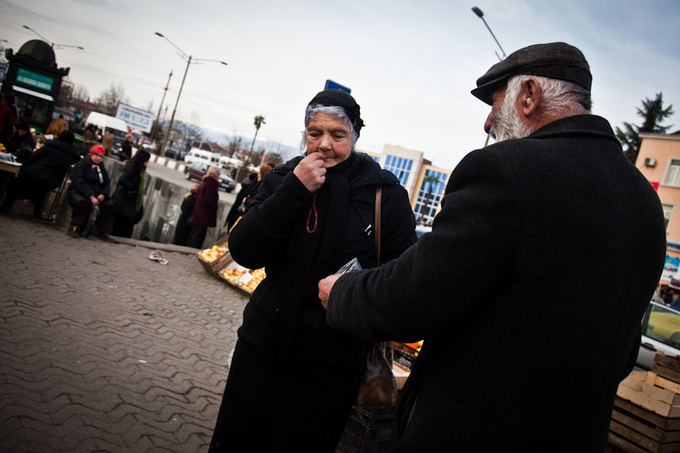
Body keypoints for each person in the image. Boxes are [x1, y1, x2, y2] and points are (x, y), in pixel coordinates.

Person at [318, 42, 667, 451]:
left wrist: (341, 292)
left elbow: (417, 296)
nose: (487, 122)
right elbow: (623, 354)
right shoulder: (645, 202)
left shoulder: (507, 170)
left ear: (529, 95)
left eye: (495, 102)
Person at [208, 89, 416, 452]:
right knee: (238, 439)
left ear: (355, 136)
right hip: (263, 344)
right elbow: (244, 250)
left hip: (333, 361)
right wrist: (295, 191)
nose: (324, 145)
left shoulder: (384, 195)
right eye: (314, 133)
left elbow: (403, 277)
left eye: (337, 135)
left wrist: (354, 290)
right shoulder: (283, 179)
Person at [1, 130, 83, 217]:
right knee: (40, 191)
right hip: (52, 181)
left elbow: (35, 156)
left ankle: (6, 206)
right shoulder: (74, 154)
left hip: (34, 173)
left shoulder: (52, 145)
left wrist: (25, 164)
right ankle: (37, 211)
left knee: (16, 185)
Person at [66, 144, 114, 238]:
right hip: (81, 192)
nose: (98, 158)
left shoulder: (101, 168)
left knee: (109, 205)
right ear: (91, 154)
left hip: (97, 193)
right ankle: (75, 226)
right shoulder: (82, 164)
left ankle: (104, 231)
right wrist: (90, 195)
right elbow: (79, 182)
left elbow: (107, 182)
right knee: (83, 202)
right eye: (96, 155)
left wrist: (103, 193)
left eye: (101, 156)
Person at [111, 150, 150, 238]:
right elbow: (122, 180)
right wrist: (132, 187)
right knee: (126, 219)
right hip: (126, 199)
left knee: (135, 216)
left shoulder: (139, 170)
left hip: (132, 199)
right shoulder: (133, 168)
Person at [225, 165, 273, 231]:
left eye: (260, 173)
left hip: (245, 217)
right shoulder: (252, 184)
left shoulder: (261, 188)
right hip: (238, 214)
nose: (258, 174)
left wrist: (247, 200)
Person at [187, 166, 220, 249]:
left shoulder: (204, 182)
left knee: (194, 234)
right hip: (204, 215)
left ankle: (190, 249)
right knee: (199, 236)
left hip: (199, 213)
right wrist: (215, 207)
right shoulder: (210, 185)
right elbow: (208, 200)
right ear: (216, 175)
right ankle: (192, 251)